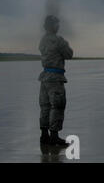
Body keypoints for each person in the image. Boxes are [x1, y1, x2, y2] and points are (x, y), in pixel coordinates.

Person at [38, 15, 73, 146]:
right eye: (56, 24)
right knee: (57, 106)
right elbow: (69, 54)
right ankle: (54, 136)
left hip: (45, 77)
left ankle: (44, 135)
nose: (58, 26)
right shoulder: (58, 40)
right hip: (55, 78)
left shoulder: (43, 40)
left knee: (45, 106)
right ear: (52, 26)